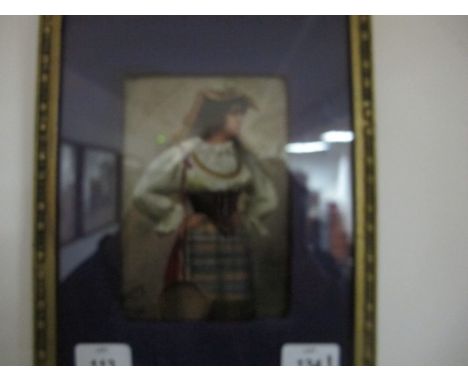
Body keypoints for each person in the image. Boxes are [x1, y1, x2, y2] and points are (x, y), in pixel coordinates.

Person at [132, 88, 278, 320]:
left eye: (241, 114)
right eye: (235, 114)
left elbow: (267, 197)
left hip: (235, 242)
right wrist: (177, 216)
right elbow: (143, 192)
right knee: (198, 305)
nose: (240, 120)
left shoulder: (243, 156)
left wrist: (248, 217)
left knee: (235, 309)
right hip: (199, 240)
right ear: (217, 116)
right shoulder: (185, 153)